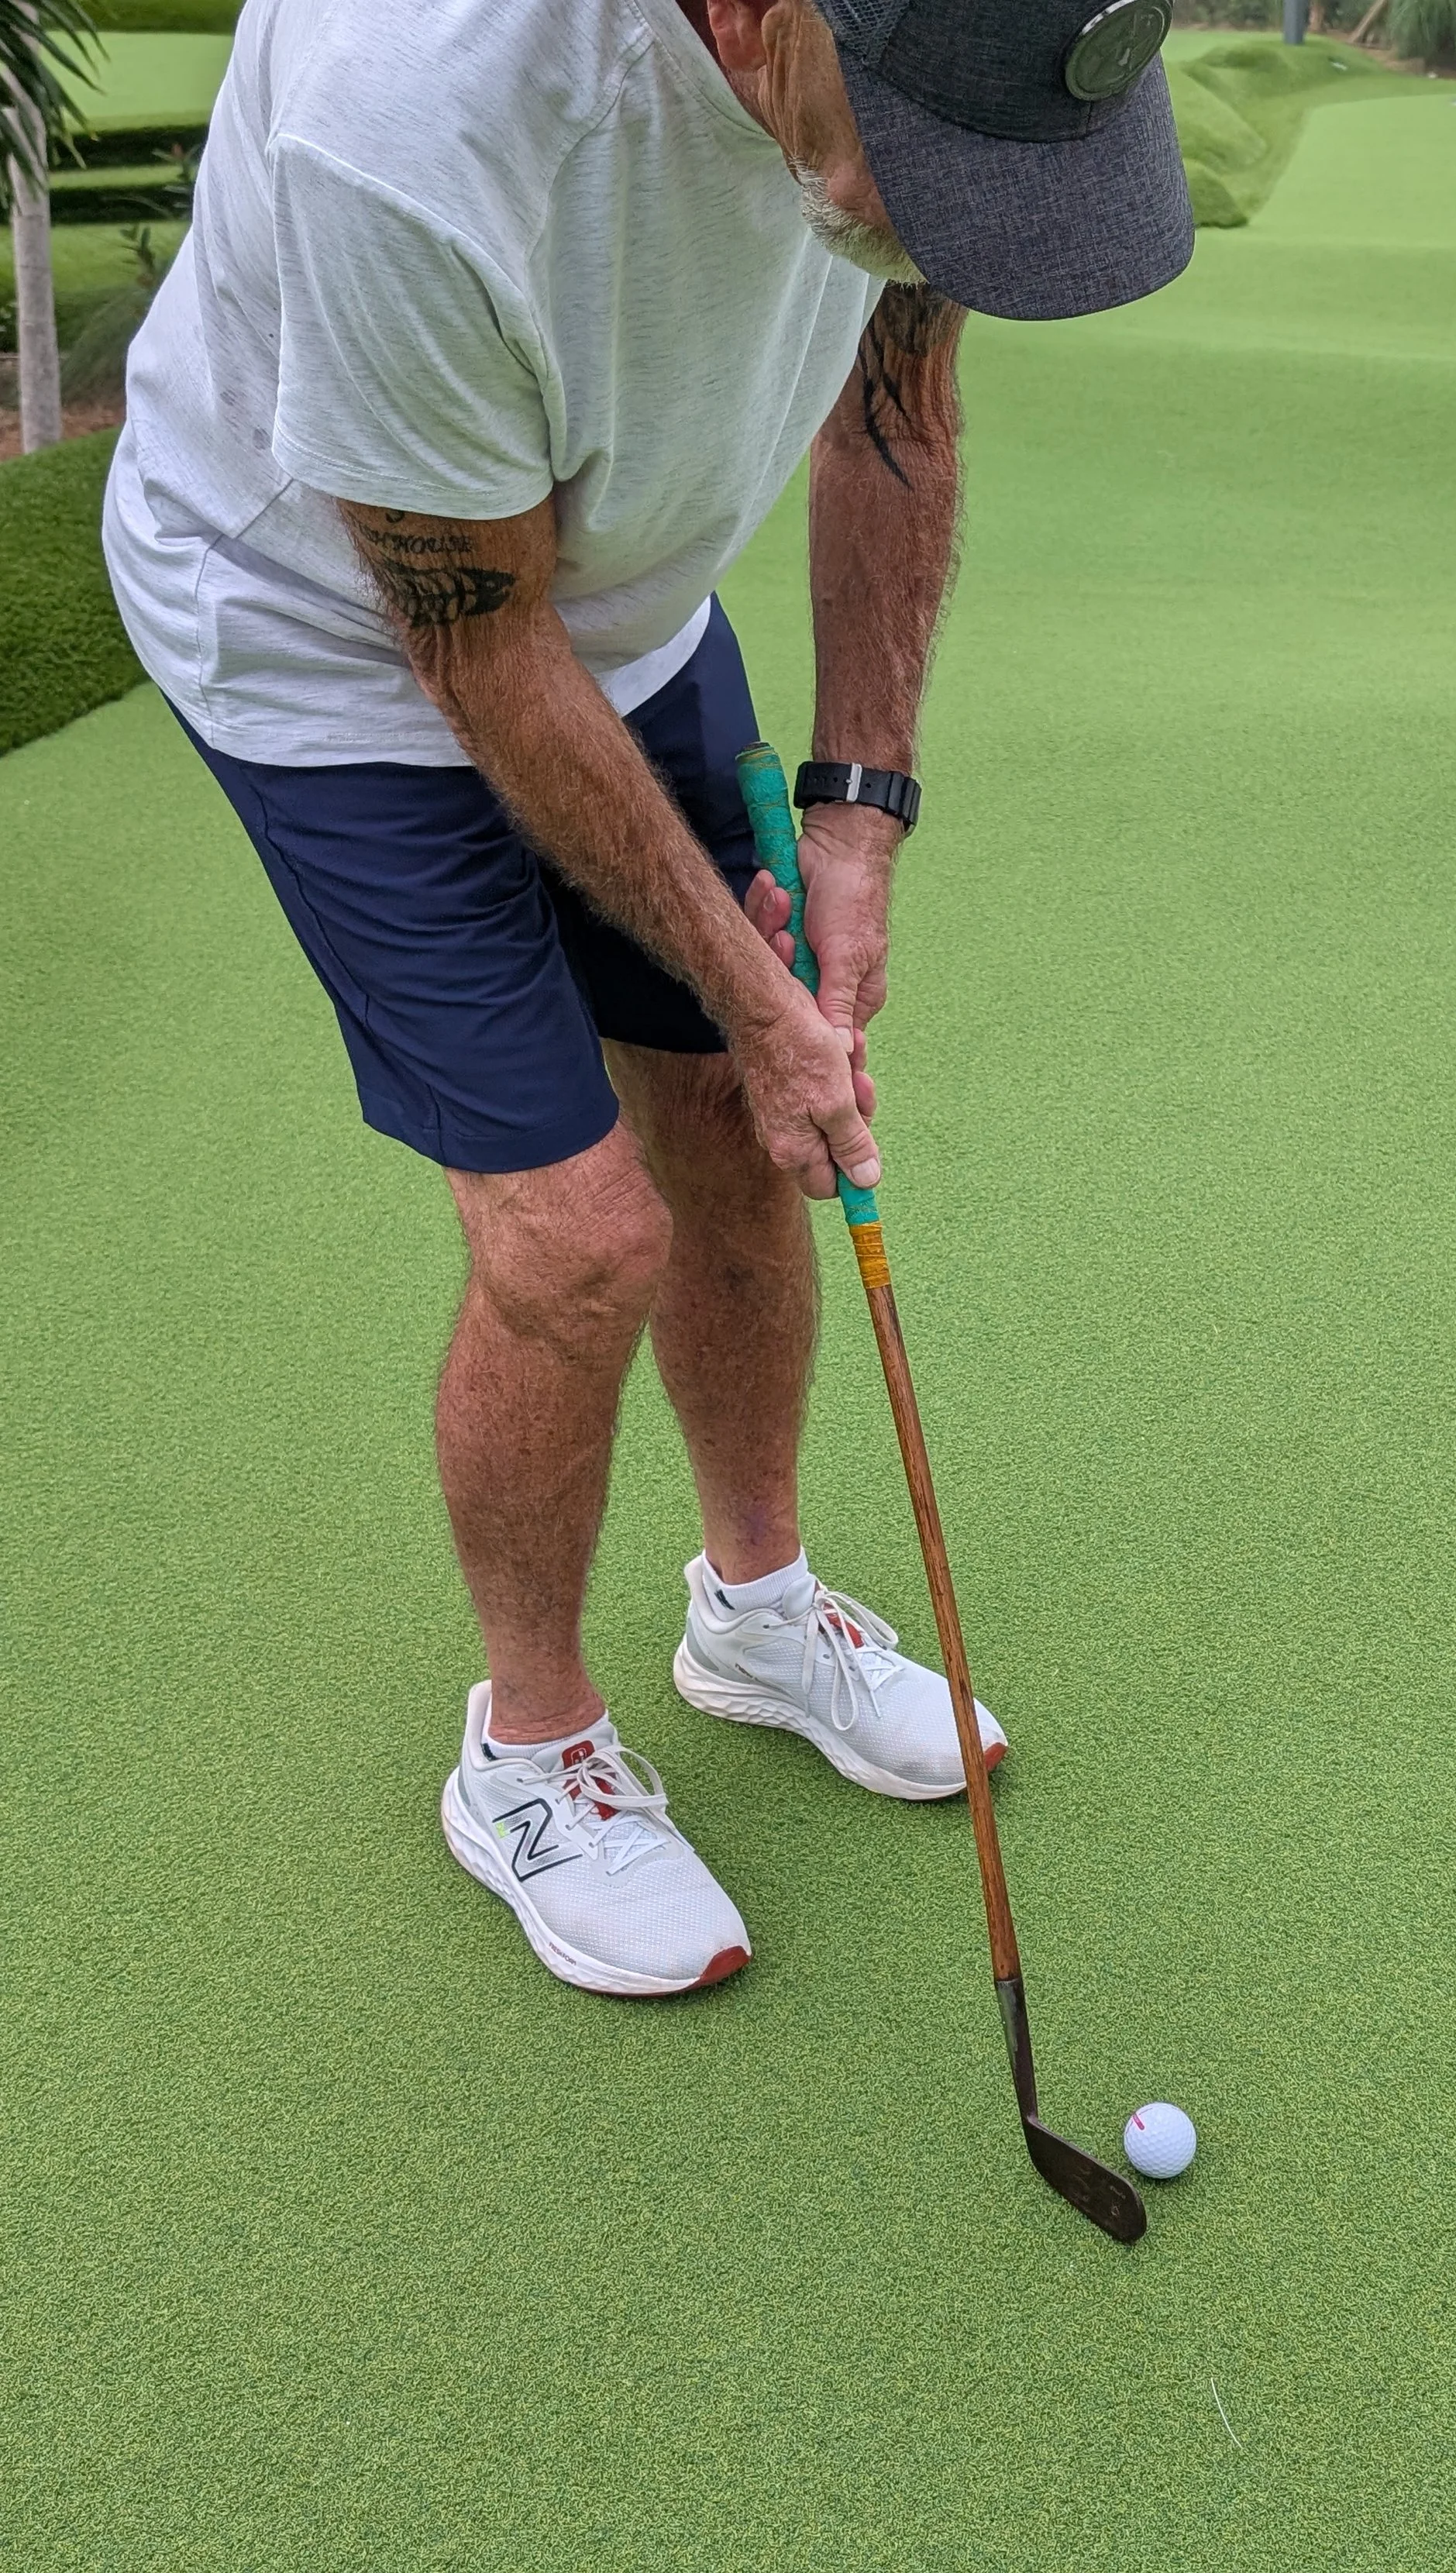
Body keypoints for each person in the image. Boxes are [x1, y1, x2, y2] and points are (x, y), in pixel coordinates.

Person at [102, 0, 1191, 1998]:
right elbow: (479, 643)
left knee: (734, 1138)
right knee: (581, 1236)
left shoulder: (913, 82)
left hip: (615, 601)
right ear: (762, 19)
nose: (909, 222)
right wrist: (756, 990)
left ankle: (755, 1615)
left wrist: (857, 819)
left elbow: (893, 410)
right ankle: (529, 1752)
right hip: (335, 637)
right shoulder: (409, 115)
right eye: (901, 177)